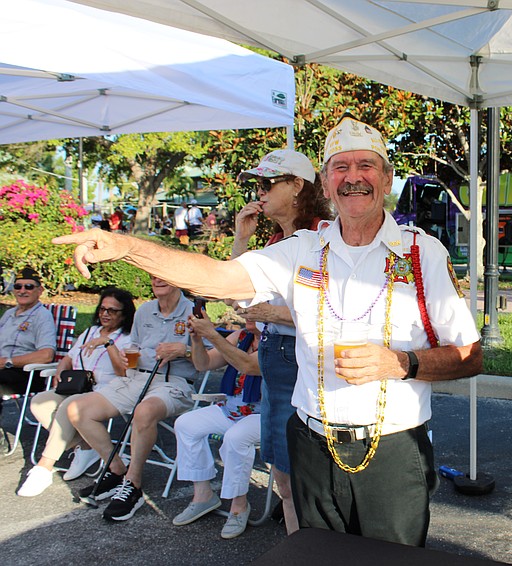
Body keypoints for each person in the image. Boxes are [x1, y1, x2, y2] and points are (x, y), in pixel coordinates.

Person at [53, 115, 483, 547]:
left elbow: (470, 357)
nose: (354, 178)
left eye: (366, 166)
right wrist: (128, 247)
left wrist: (401, 362)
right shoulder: (300, 250)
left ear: (387, 178)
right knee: (320, 555)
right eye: (341, 167)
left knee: (392, 561)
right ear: (327, 182)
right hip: (311, 441)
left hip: (392, 447)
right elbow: (216, 278)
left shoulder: (420, 252)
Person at [230, 148, 332, 533]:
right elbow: (236, 291)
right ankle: (298, 548)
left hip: (301, 357)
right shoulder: (275, 240)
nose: (260, 191)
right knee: (282, 473)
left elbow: (338, 310)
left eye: (268, 183)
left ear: (296, 187)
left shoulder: (324, 237)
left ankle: (312, 548)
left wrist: (274, 315)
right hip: (275, 355)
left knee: (301, 475)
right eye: (258, 184)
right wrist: (242, 239)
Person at [65, 276, 205, 521]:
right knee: (78, 409)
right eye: (152, 276)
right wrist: (126, 357)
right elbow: (136, 349)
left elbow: (209, 359)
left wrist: (183, 350)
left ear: (176, 277)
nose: (157, 280)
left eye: (163, 275)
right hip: (136, 378)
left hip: (174, 384)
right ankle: (116, 468)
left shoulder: (195, 311)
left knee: (144, 411)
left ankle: (133, 484)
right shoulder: (145, 310)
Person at [18, 288, 135, 497]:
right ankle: (86, 444)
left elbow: (124, 371)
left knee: (68, 407)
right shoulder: (90, 331)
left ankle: (44, 466)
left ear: (124, 314)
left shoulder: (127, 338)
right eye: (102, 309)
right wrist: (61, 371)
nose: (105, 314)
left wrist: (109, 344)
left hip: (103, 391)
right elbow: (70, 357)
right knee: (39, 402)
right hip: (77, 385)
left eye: (113, 311)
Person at [172, 311, 262, 539]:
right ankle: (203, 496)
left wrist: (212, 335)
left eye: (253, 310)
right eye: (246, 310)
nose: (246, 313)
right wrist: (196, 339)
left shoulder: (276, 342)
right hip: (231, 409)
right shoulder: (241, 336)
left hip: (263, 414)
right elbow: (203, 364)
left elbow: (249, 365)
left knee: (235, 438)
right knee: (186, 424)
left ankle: (239, 505)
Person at [0, 267, 56, 398]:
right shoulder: (9, 314)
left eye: (29, 287)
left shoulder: (42, 316)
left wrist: (8, 361)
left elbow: (46, 355)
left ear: (40, 291)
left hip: (25, 374)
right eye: (18, 286)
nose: (22, 291)